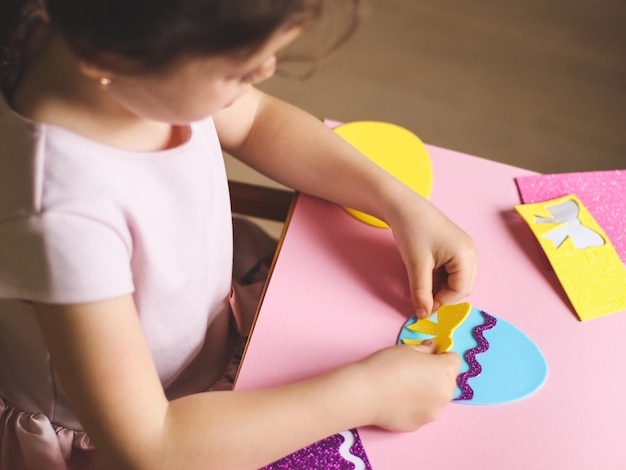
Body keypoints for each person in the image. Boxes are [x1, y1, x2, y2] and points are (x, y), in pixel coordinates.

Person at [0, 1, 477, 469]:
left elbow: (254, 120)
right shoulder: (63, 217)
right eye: (240, 70)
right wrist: (368, 395)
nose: (265, 70)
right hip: (154, 433)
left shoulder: (117, 55)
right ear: (112, 56)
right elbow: (152, 448)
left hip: (208, 331)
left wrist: (398, 204)